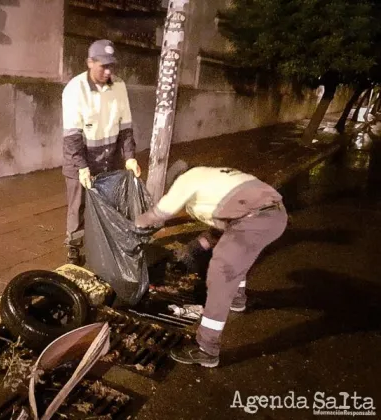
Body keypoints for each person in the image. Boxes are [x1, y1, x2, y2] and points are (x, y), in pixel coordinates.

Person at [135, 166, 288, 367]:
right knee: (236, 255)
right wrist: (193, 248)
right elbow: (222, 230)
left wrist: (136, 223)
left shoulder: (189, 178)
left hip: (257, 219)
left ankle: (206, 349)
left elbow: (161, 211)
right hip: (275, 215)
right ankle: (237, 298)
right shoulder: (215, 180)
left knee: (221, 271)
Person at [62, 39, 141, 265]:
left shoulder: (119, 87)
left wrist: (130, 158)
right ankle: (74, 249)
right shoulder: (74, 90)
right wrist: (82, 168)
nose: (108, 71)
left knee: (108, 203)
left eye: (111, 66)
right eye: (102, 66)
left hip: (109, 158)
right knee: (78, 206)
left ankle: (103, 245)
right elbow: (72, 136)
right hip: (81, 158)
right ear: (90, 62)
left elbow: (125, 128)